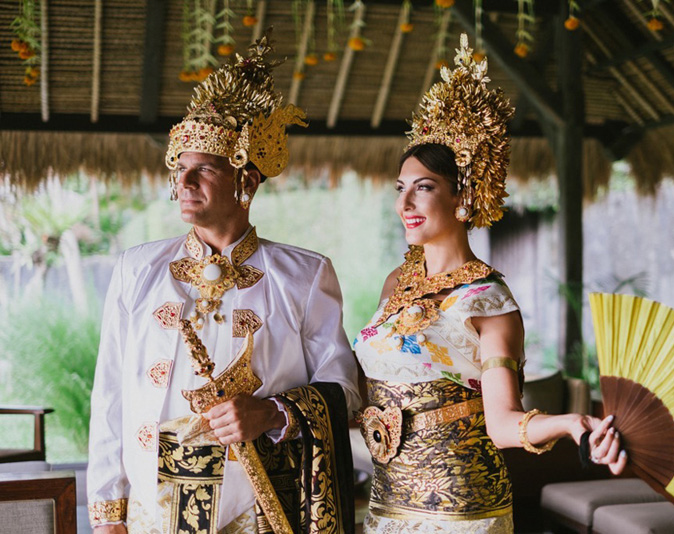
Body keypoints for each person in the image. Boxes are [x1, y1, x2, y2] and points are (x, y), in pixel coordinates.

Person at [353, 35, 627, 533]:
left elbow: (502, 424)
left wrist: (571, 423)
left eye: (423, 188)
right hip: (387, 504)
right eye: (401, 188)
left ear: (462, 197)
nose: (404, 204)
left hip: (462, 508)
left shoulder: (490, 301)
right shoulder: (396, 282)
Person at [87, 35, 359, 534]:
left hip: (256, 508)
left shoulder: (304, 274)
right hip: (151, 510)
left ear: (246, 182)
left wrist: (271, 413)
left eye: (204, 170)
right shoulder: (136, 268)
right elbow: (110, 393)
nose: (184, 183)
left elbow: (344, 388)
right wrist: (107, 512)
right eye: (180, 170)